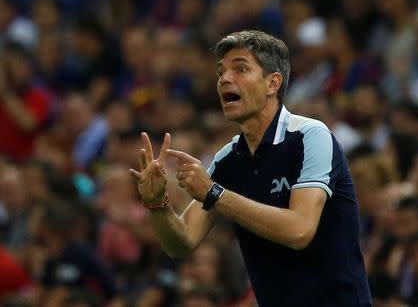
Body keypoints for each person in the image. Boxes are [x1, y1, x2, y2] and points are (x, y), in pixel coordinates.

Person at [129, 30, 373, 307]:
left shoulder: (310, 136)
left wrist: (214, 194)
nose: (225, 79)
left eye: (240, 68)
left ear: (272, 83)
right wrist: (158, 204)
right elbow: (181, 241)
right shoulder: (228, 159)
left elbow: (299, 231)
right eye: (221, 72)